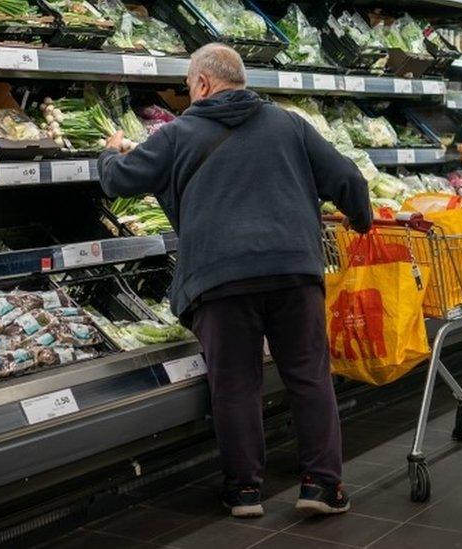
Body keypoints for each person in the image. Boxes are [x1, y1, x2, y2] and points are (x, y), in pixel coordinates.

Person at [98, 43, 372, 518]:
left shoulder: (178, 132)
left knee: (235, 385)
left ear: (202, 84)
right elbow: (348, 178)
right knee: (309, 377)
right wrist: (362, 221)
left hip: (220, 280)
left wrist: (109, 153)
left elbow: (119, 180)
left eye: (187, 86)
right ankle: (322, 486)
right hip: (293, 272)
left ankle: (245, 491)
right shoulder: (290, 124)